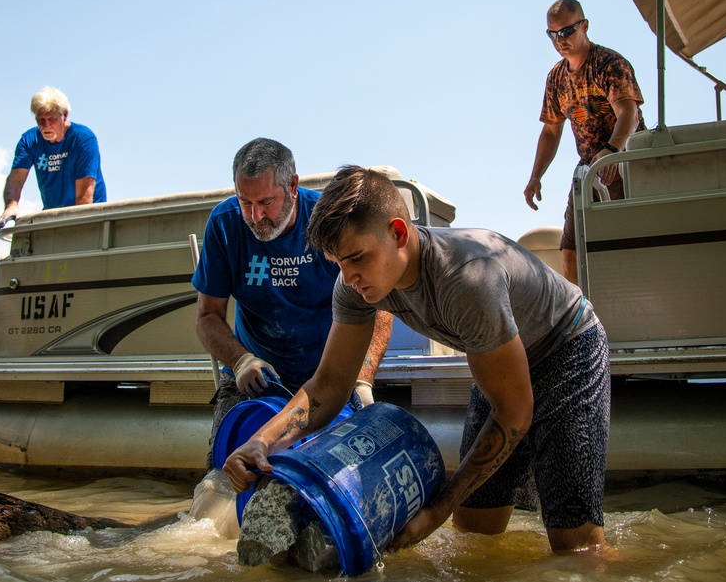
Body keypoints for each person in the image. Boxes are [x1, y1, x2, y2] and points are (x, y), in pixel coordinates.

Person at [223, 165, 612, 555]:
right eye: (338, 262)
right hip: (503, 356)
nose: (350, 276)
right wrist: (262, 441)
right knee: (474, 531)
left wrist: (437, 509)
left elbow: (514, 412)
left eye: (358, 258)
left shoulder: (467, 279)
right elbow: (327, 388)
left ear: (399, 233)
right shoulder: (353, 285)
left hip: (567, 346)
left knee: (575, 547)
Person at [192, 138, 393, 469]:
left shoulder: (327, 219)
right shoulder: (224, 224)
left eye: (266, 202)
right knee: (226, 473)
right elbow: (207, 317)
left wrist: (362, 377)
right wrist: (240, 361)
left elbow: (380, 304)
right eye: (245, 202)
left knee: (333, 477)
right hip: (257, 378)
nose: (255, 216)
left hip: (329, 376)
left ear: (293, 185)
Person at [524, 0, 645, 284]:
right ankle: (579, 320)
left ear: (584, 26)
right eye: (552, 35)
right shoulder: (556, 77)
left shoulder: (609, 64)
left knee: (624, 247)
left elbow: (629, 112)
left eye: (565, 32)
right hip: (588, 171)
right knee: (570, 249)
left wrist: (613, 151)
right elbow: (551, 131)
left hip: (627, 166)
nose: (559, 41)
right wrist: (535, 176)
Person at [0, 86, 107, 234]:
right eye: (41, 120)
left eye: (51, 119)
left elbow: (85, 194)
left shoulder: (83, 139)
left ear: (65, 115)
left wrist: (79, 229)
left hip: (90, 217)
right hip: (53, 215)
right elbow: (16, 178)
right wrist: (11, 205)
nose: (46, 126)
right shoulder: (29, 140)